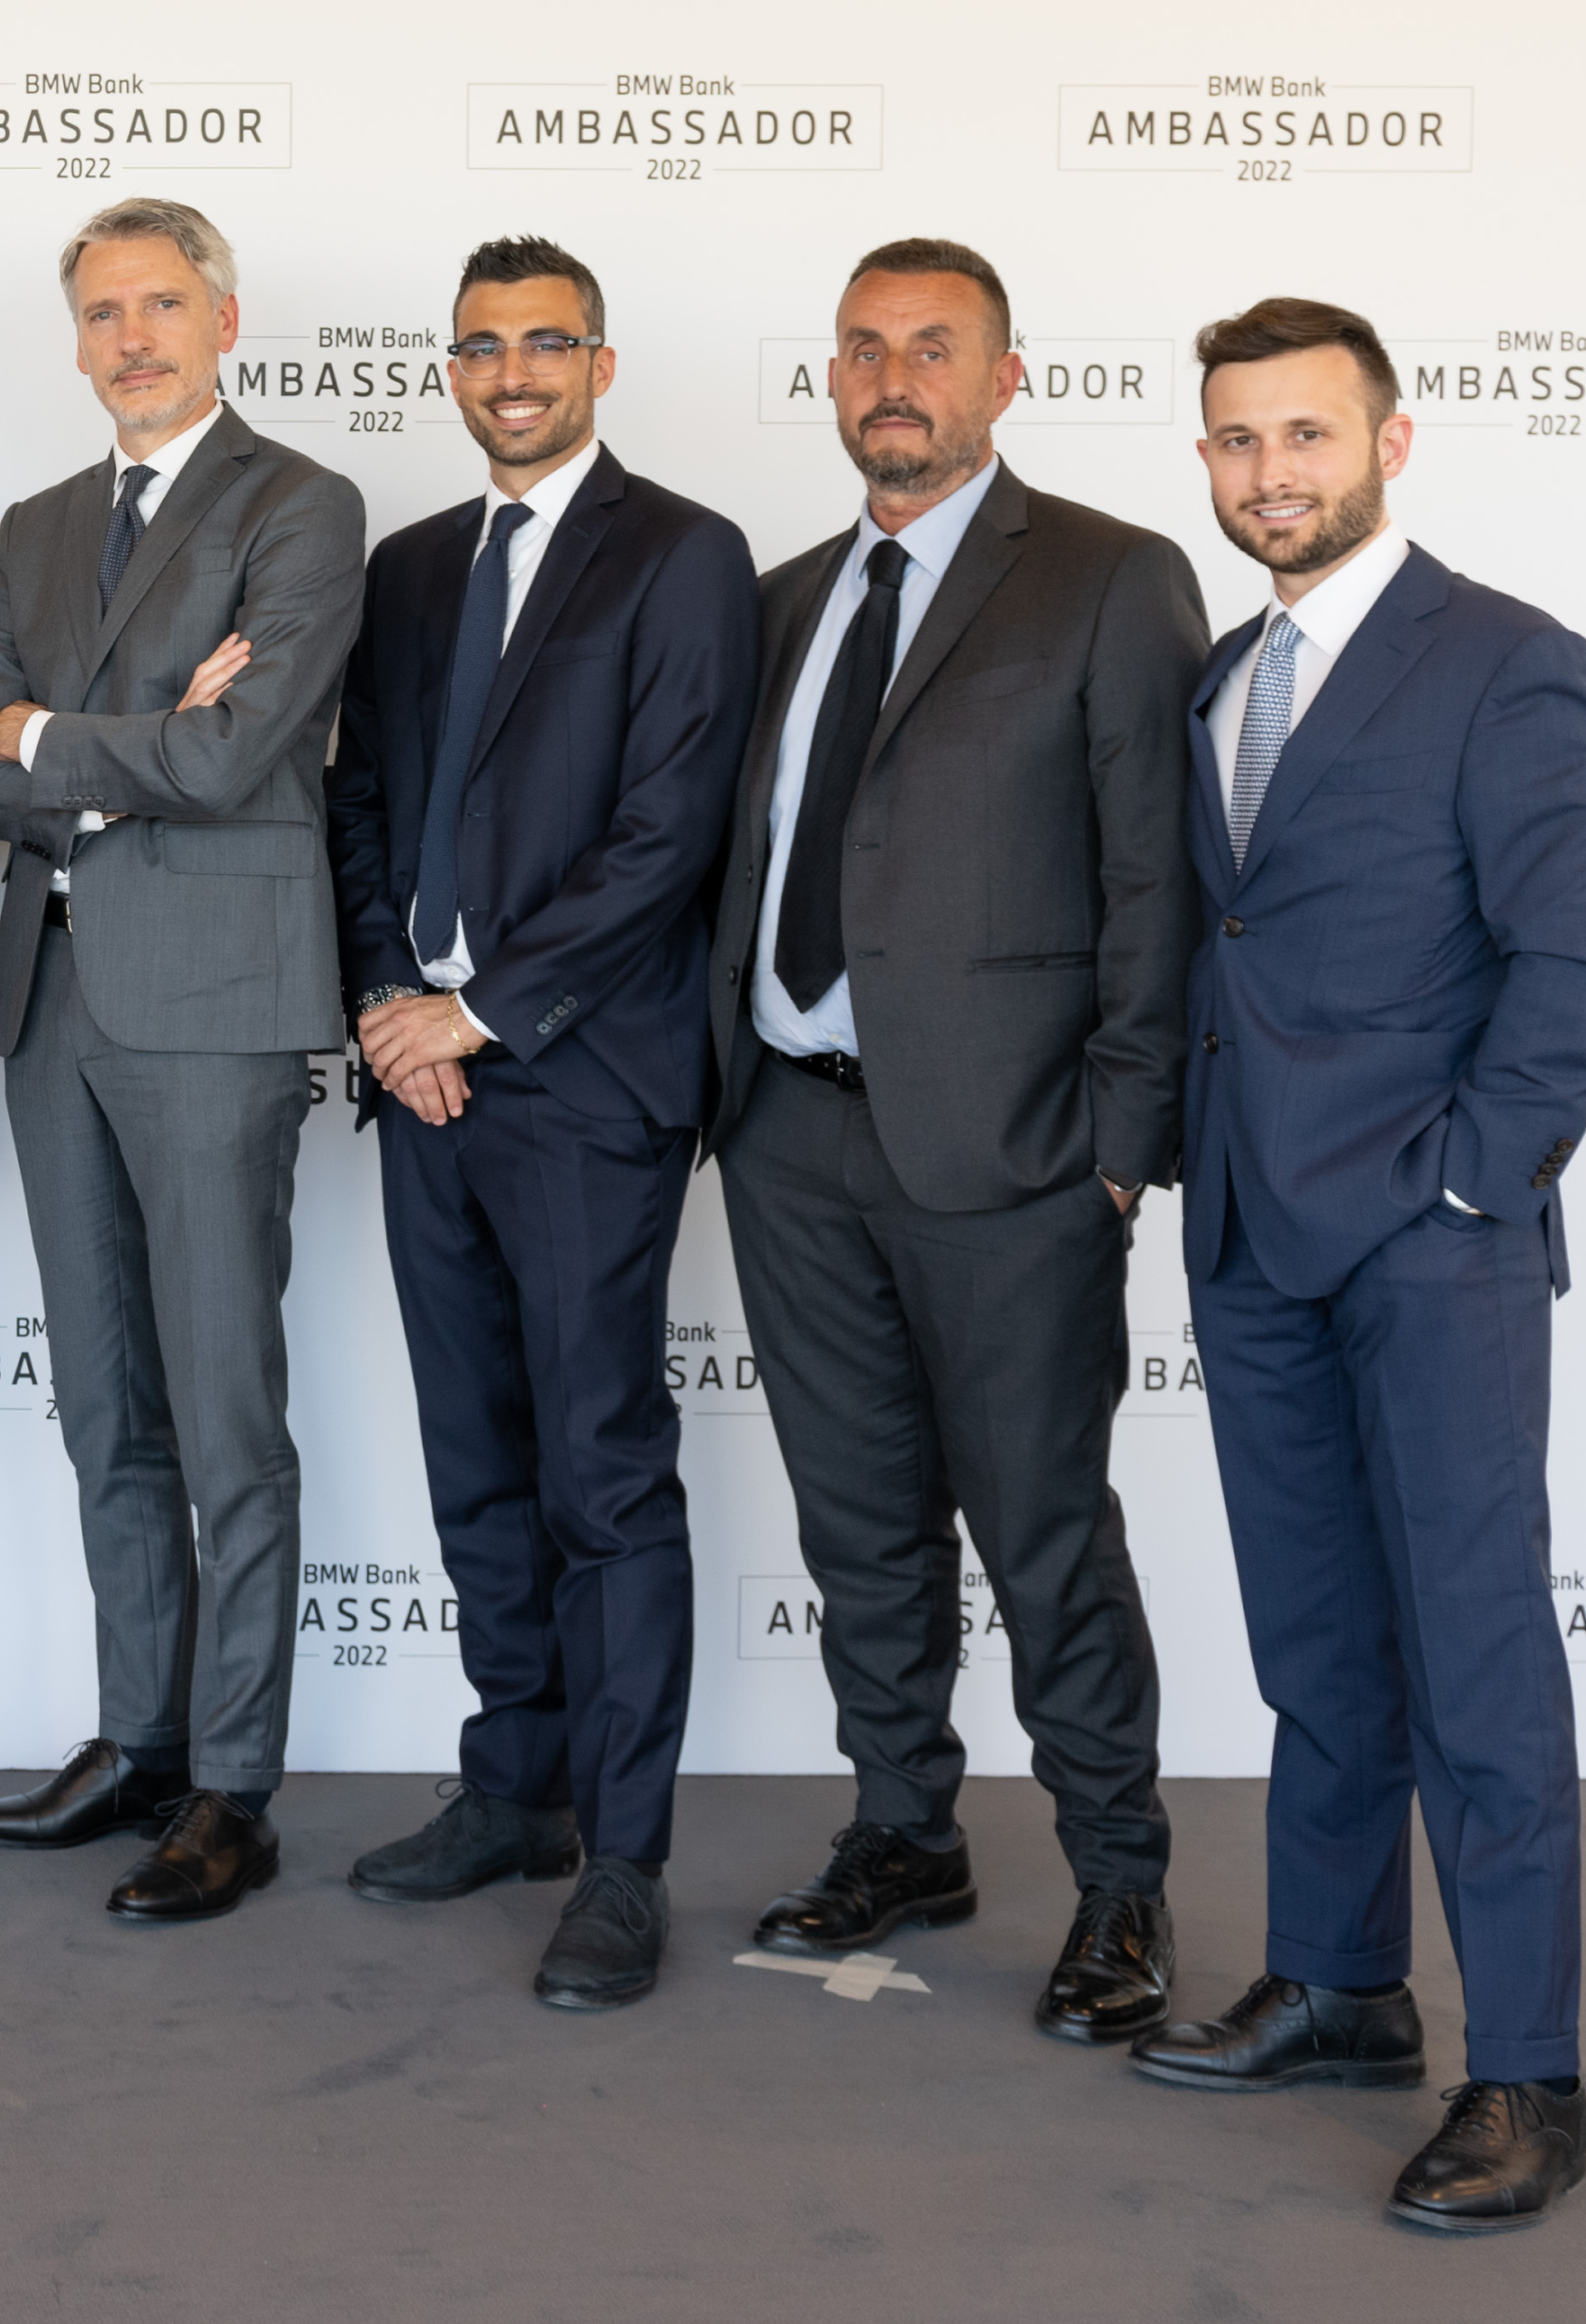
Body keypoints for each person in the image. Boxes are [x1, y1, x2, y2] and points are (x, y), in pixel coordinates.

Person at [1124, 300, 1586, 2234]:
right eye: (1235, 440)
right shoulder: (1219, 674)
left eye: (1304, 435)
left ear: (1388, 442)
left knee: (1476, 1655)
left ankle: (1529, 2075)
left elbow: (1580, 964)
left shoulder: (1508, 661)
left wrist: (1468, 1193)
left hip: (1432, 1249)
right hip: (1251, 1231)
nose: (1269, 473)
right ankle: (1342, 1984)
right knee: (1315, 1640)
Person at [705, 239, 1203, 2042]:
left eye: (931, 348)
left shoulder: (1106, 578)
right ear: (829, 379)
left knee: (1043, 1536)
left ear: (1005, 379)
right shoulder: (780, 600)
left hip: (1013, 1155)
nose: (890, 378)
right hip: (788, 1134)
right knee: (858, 1528)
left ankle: (1120, 1880)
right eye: (861, 348)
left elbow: (1158, 875)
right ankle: (904, 1829)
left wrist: (1121, 1141)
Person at [322, 238, 757, 2007]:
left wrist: (481, 1009)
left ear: (598, 363)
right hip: (419, 1080)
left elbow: (668, 834)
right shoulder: (413, 564)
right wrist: (387, 1003)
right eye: (482, 346)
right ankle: (514, 1786)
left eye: (545, 344)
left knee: (599, 1466)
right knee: (474, 1456)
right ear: (449, 368)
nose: (511, 373)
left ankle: (625, 1856)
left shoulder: (683, 555)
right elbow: (358, 802)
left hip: (576, 1080)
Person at [0, 198, 364, 1925]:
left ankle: (234, 1789)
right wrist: (126, 746)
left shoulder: (300, 505)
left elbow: (237, 752)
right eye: (103, 312)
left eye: (162, 306)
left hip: (212, 1009)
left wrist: (49, 737)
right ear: (76, 339)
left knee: (224, 1413)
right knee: (106, 1403)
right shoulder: (37, 525)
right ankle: (142, 1744)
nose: (132, 338)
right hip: (54, 1004)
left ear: (223, 320)